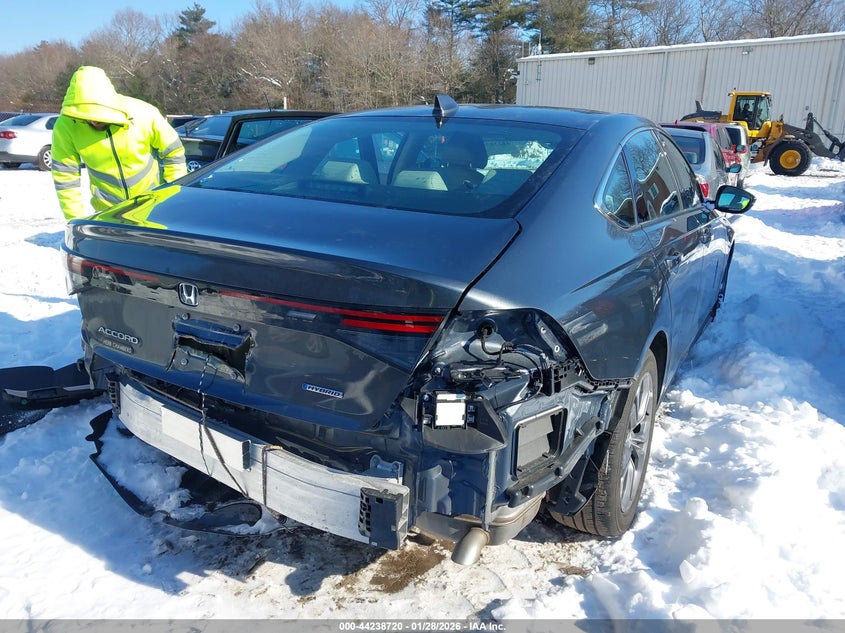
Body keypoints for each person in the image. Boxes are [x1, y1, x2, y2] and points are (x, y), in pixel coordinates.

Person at [51, 66, 187, 221]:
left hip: (155, 207)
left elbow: (173, 152)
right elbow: (65, 177)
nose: (93, 120)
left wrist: (172, 196)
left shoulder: (143, 113)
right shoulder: (66, 126)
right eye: (86, 116)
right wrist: (74, 220)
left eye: (98, 115)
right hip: (108, 214)